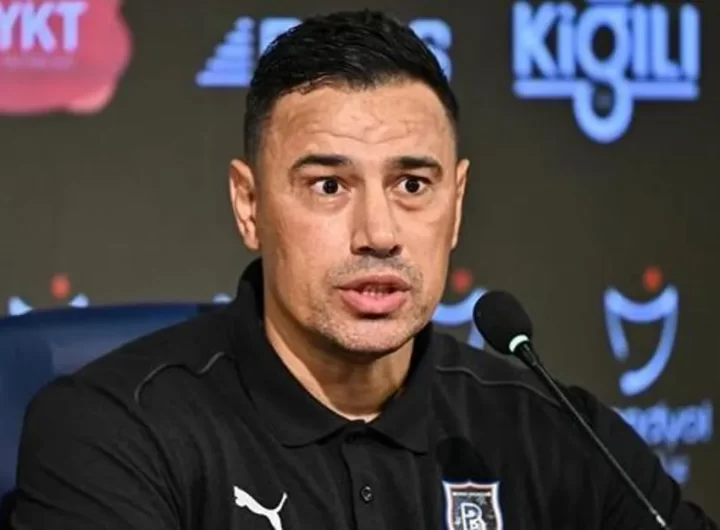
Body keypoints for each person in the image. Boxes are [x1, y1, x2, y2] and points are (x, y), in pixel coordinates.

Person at [8, 9, 716, 530]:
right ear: (249, 206)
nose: (379, 234)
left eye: (412, 185)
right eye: (328, 185)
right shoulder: (114, 433)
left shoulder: (553, 431)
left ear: (456, 204)